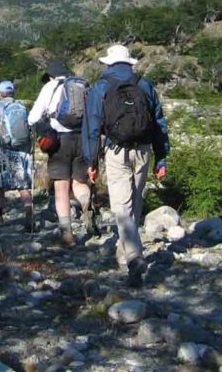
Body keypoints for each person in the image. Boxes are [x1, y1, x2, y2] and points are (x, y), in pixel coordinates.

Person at [83, 45, 169, 288]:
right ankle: (125, 252)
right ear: (129, 62)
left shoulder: (101, 86)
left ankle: (133, 257)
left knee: (121, 205)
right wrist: (161, 157)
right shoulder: (144, 84)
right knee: (135, 200)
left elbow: (91, 127)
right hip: (144, 150)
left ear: (108, 63)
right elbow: (159, 122)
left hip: (116, 150)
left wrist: (91, 161)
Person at [29, 59, 97, 246]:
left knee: (61, 187)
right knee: (79, 182)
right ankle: (86, 205)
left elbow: (33, 117)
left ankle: (67, 234)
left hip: (59, 141)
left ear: (51, 76)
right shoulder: (83, 86)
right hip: (82, 139)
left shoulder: (50, 87)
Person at [0, 80, 35, 231]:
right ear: (13, 92)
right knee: (22, 184)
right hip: (22, 150)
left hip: (4, 149)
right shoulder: (22, 106)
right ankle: (29, 210)